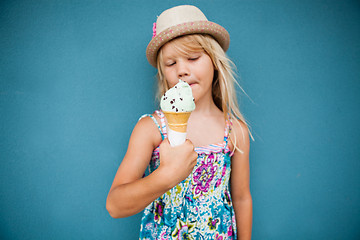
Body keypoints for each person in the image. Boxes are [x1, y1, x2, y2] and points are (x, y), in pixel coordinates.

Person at [106, 5, 253, 240]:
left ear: (215, 62)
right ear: (163, 73)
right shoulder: (151, 129)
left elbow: (242, 197)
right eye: (171, 63)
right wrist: (166, 176)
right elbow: (115, 205)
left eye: (193, 58)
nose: (182, 70)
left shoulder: (235, 132)